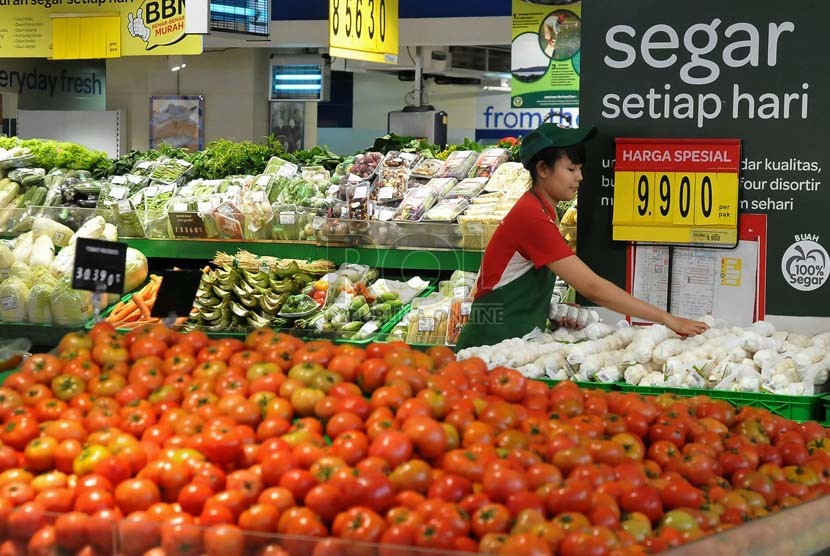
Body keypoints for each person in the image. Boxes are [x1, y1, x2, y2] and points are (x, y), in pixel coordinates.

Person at [454, 123, 709, 351]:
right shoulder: (532, 218)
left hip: (509, 341)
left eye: (580, 168)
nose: (580, 177)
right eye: (571, 169)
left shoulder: (539, 209)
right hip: (490, 345)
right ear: (543, 169)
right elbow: (593, 288)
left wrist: (546, 310)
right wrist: (667, 319)